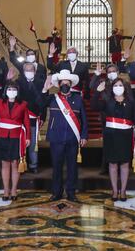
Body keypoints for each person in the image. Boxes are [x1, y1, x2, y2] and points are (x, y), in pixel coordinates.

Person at [41, 70, 88, 202]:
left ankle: (71, 192)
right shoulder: (52, 98)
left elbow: (84, 119)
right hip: (56, 138)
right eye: (63, 83)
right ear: (59, 84)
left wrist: (84, 135)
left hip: (73, 139)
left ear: (71, 84)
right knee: (56, 166)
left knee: (72, 167)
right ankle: (56, 192)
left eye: (67, 83)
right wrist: (45, 90)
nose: (65, 85)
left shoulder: (78, 99)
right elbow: (39, 104)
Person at [92, 78, 135, 201]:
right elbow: (94, 106)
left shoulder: (131, 102)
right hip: (111, 136)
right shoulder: (107, 100)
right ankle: (114, 191)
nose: (118, 87)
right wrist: (98, 92)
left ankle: (123, 191)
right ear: (112, 88)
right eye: (116, 85)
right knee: (112, 164)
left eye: (120, 85)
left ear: (124, 87)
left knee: (125, 164)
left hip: (126, 136)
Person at [0, 80, 30, 201]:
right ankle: (6, 190)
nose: (11, 91)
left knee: (14, 163)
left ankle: (14, 190)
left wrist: (28, 137)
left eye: (14, 89)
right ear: (5, 91)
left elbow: (27, 122)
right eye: (9, 89)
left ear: (17, 92)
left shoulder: (23, 104)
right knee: (5, 164)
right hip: (2, 136)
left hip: (16, 136)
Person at [90, 63, 133, 175]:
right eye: (109, 72)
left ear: (118, 72)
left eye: (113, 71)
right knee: (108, 143)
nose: (111, 73)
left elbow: (130, 100)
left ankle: (123, 166)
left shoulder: (124, 84)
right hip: (107, 118)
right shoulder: (103, 83)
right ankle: (106, 166)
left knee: (123, 143)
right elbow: (91, 86)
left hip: (122, 119)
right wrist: (97, 74)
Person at [16, 62, 45, 173]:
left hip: (34, 117)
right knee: (20, 142)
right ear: (23, 72)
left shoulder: (40, 83)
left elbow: (43, 102)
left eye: (31, 69)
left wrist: (42, 116)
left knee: (33, 143)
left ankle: (33, 165)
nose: (29, 72)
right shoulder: (18, 82)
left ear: (35, 71)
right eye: (26, 70)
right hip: (20, 117)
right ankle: (21, 163)